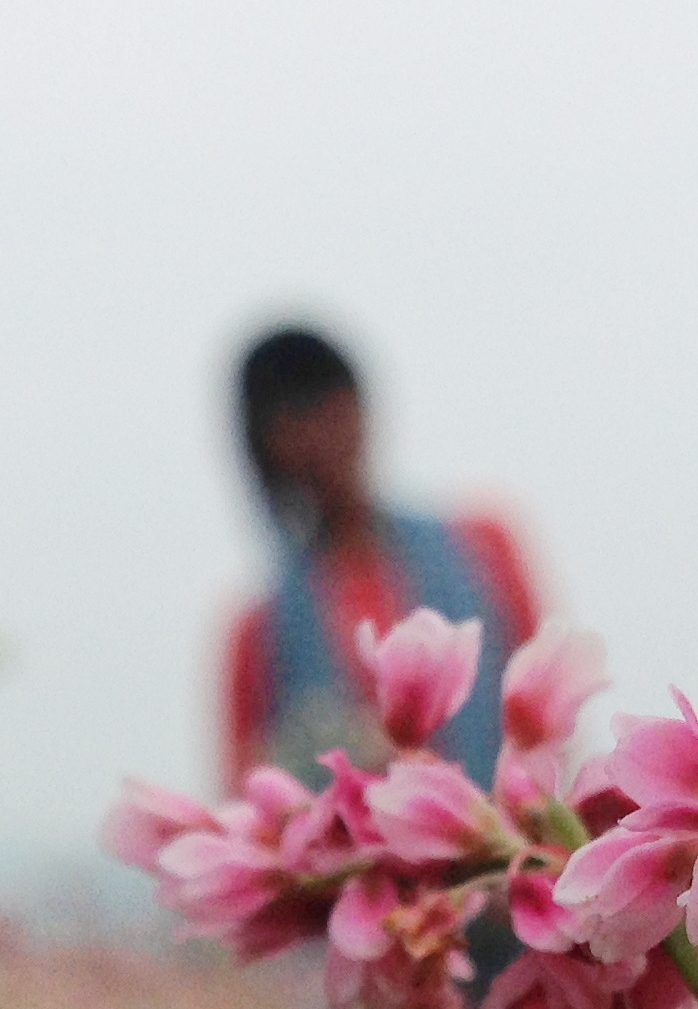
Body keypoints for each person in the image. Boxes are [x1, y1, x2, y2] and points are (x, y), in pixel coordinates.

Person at [220, 327, 546, 794]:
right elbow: (248, 796)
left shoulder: (484, 548)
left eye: (330, 409)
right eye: (293, 422)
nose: (317, 438)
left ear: (360, 409)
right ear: (266, 449)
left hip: (507, 826)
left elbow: (545, 725)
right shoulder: (260, 635)